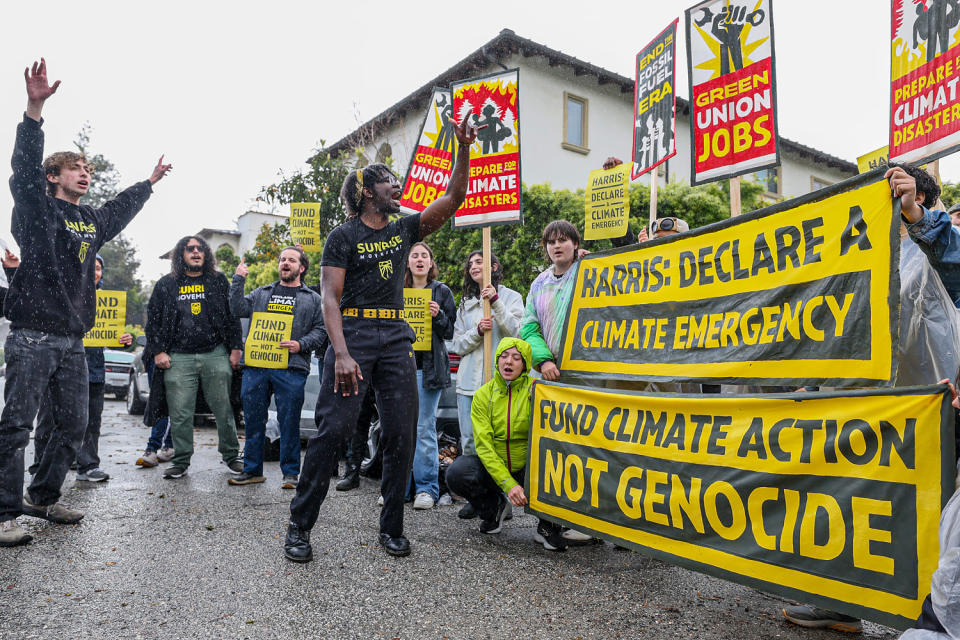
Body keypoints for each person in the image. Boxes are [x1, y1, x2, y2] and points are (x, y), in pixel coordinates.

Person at [284, 111, 479, 562]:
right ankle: (299, 526)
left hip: (395, 335)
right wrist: (343, 353)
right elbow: (330, 300)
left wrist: (463, 148)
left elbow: (452, 197)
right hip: (351, 331)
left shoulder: (404, 228)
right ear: (368, 192)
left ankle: (391, 527)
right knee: (332, 432)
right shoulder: (342, 236)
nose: (399, 187)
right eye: (390, 181)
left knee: (401, 434)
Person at [0, 59, 171, 548]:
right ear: (53, 176)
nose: (86, 174)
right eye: (77, 168)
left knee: (74, 424)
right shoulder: (37, 210)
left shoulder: (92, 221)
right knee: (16, 425)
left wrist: (149, 183)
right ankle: (5, 511)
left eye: (89, 169)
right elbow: (22, 172)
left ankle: (43, 495)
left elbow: (118, 210)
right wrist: (34, 110)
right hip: (32, 334)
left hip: (73, 339)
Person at [445, 337, 567, 550]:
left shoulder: (538, 390)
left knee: (557, 466)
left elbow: (553, 434)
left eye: (516, 358)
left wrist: (541, 397)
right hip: (496, 468)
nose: (508, 362)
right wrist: (508, 485)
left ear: (526, 364)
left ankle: (547, 525)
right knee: (458, 472)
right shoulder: (483, 395)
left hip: (529, 467)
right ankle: (493, 508)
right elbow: (483, 446)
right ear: (497, 360)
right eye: (504, 356)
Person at [518, 219, 596, 545]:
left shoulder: (589, 272)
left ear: (575, 244)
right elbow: (529, 328)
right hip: (550, 378)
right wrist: (544, 360)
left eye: (564, 240)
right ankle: (549, 523)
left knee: (588, 448)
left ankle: (588, 521)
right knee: (553, 449)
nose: (557, 246)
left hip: (586, 378)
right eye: (551, 241)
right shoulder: (538, 283)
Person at [146, 236, 243, 480]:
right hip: (178, 357)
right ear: (181, 255)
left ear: (206, 254)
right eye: (190, 249)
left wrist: (235, 348)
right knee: (180, 413)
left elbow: (233, 315)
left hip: (215, 353)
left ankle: (232, 456)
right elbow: (153, 321)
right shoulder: (166, 285)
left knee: (224, 408)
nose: (196, 252)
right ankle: (180, 460)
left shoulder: (218, 281)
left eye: (200, 248)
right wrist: (158, 351)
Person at [228, 247, 326, 489]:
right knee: (253, 420)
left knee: (289, 421)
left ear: (301, 268)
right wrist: (238, 279)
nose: (285, 263)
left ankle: (291, 474)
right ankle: (252, 470)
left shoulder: (313, 299)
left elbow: (321, 331)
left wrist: (300, 344)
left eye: (291, 260)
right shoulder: (261, 293)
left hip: (291, 367)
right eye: (282, 259)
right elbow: (236, 308)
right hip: (257, 366)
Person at [30, 254, 133, 483]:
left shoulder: (107, 302)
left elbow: (110, 335)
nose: (94, 272)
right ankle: (41, 466)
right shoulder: (57, 296)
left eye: (98, 268)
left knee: (90, 421)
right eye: (89, 267)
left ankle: (88, 465)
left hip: (92, 369)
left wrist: (125, 339)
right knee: (49, 419)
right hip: (57, 367)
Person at [450, 250, 523, 518]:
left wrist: (496, 302)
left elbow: (517, 332)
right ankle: (482, 499)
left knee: (499, 444)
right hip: (469, 385)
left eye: (479, 262)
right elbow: (458, 344)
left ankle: (504, 494)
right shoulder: (466, 304)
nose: (473, 267)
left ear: (494, 265)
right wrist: (477, 331)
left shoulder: (512, 297)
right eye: (470, 264)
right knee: (470, 444)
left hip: (501, 386)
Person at [403, 241, 455, 510]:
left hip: (429, 371)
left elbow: (449, 333)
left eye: (424, 256)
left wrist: (439, 315)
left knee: (423, 429)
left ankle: (426, 489)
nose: (420, 259)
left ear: (431, 263)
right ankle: (401, 487)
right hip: (401, 368)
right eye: (415, 255)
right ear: (408, 262)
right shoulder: (397, 291)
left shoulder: (441, 291)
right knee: (399, 430)